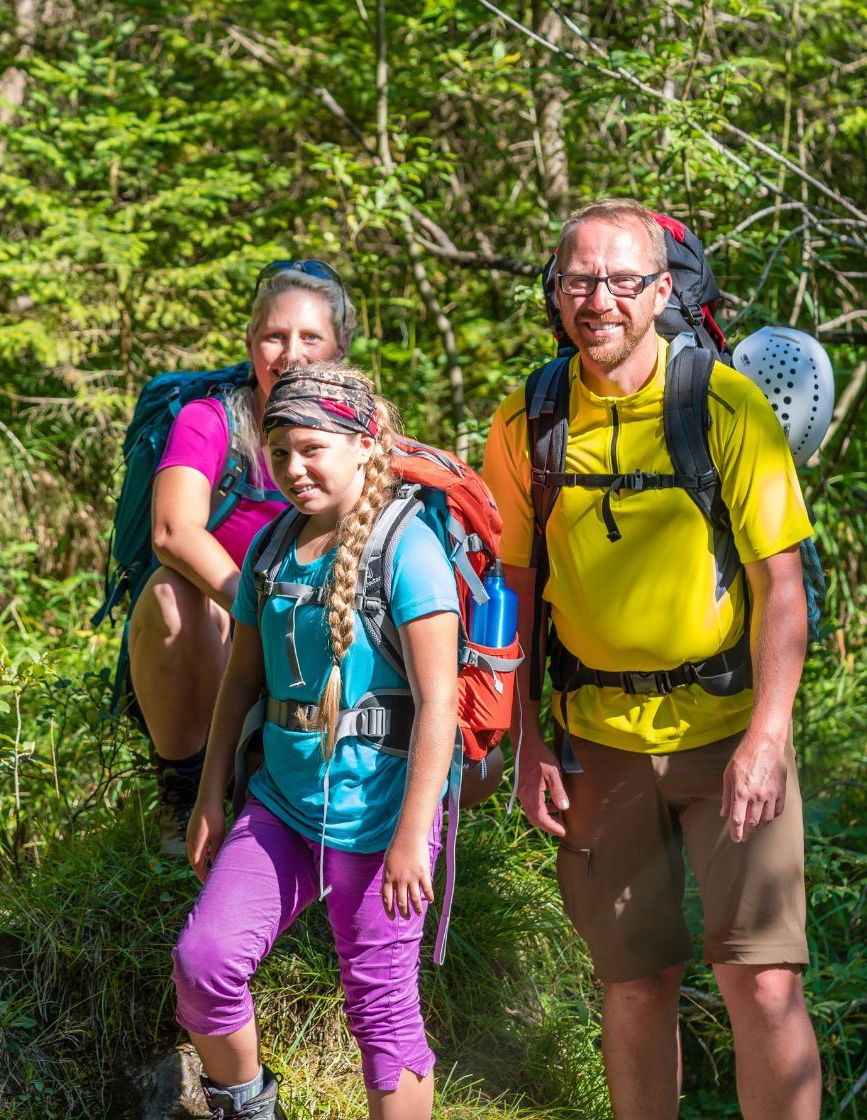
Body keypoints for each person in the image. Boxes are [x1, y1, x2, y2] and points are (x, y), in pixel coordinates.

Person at [481, 200, 823, 1119]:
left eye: (621, 280)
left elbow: (780, 588)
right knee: (634, 985)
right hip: (597, 743)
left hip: (727, 737)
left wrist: (769, 734)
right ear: (555, 296)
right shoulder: (527, 420)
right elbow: (513, 596)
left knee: (764, 983)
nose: (599, 299)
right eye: (578, 281)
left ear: (660, 290)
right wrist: (526, 744)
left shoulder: (723, 404)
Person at [172, 363, 457, 1120]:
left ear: (366, 444)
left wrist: (409, 839)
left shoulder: (409, 549)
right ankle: (247, 1108)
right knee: (204, 963)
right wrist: (210, 797)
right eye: (281, 452)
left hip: (383, 812)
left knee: (381, 1012)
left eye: (313, 449)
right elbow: (240, 683)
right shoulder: (270, 550)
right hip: (284, 805)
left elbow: (438, 705)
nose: (294, 469)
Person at [132, 261, 356, 855]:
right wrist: (263, 609)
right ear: (251, 343)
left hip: (329, 632)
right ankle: (183, 786)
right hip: (220, 633)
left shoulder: (362, 429)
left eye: (311, 337)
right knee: (170, 592)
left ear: (340, 346)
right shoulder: (210, 422)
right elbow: (172, 531)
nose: (291, 353)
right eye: (274, 337)